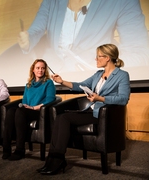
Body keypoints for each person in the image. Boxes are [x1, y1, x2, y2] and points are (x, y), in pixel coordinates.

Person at [37, 44, 130, 175]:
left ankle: (57, 160)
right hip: (91, 111)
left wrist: (100, 99)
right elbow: (80, 86)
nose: (96, 59)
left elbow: (123, 99)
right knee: (60, 117)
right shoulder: (98, 74)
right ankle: (52, 160)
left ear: (108, 58)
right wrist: (62, 81)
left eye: (98, 56)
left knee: (64, 118)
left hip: (103, 116)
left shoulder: (122, 75)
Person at [18, 0, 149, 71]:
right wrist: (27, 40)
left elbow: (140, 52)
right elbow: (35, 31)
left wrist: (103, 70)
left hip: (93, 85)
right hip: (54, 80)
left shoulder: (122, 2)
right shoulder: (51, 2)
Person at [2, 59, 56, 161]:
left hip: (39, 112)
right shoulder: (29, 84)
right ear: (33, 70)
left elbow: (50, 99)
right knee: (11, 111)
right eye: (38, 68)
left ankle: (20, 150)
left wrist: (34, 107)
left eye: (43, 68)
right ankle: (6, 148)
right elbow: (25, 100)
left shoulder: (49, 83)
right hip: (27, 111)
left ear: (45, 70)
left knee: (20, 112)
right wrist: (24, 106)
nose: (40, 70)